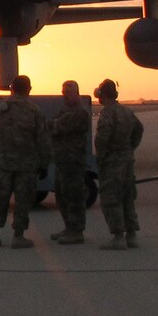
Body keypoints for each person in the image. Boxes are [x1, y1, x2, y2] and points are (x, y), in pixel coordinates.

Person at [0, 75, 51, 248]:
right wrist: (44, 163)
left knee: (0, 198)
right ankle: (18, 236)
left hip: (3, 163)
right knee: (23, 200)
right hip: (26, 165)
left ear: (12, 88)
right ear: (29, 89)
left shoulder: (0, 109)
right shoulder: (34, 110)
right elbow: (43, 140)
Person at [93, 78, 143, 249]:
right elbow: (138, 130)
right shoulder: (127, 112)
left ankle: (118, 236)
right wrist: (129, 148)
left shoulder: (108, 113)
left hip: (112, 162)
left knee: (111, 198)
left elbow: (102, 138)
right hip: (127, 159)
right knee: (127, 197)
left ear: (102, 95)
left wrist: (101, 155)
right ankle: (132, 235)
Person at [48, 79, 92, 244]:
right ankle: (68, 227)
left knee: (74, 196)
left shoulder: (80, 112)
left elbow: (56, 126)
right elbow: (54, 125)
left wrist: (53, 125)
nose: (65, 95)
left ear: (77, 92)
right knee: (62, 194)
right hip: (63, 159)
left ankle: (76, 231)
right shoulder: (66, 109)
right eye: (63, 92)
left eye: (68, 92)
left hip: (73, 161)